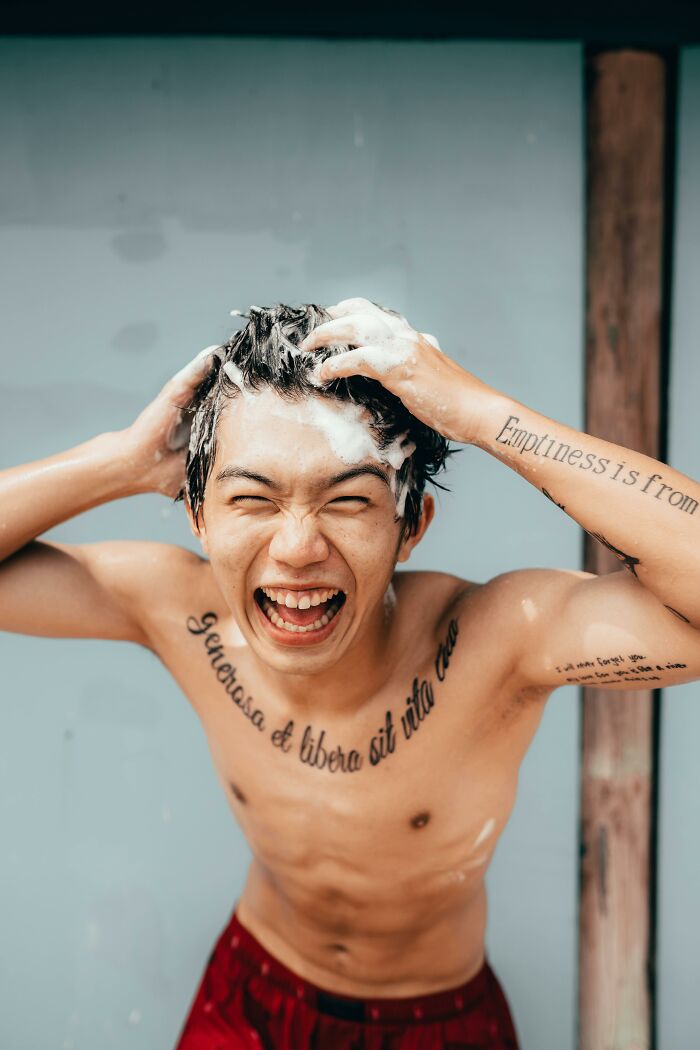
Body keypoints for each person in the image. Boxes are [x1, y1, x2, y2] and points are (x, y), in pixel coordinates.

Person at [2, 298, 699, 1050]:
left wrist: (475, 411)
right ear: (198, 516)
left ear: (411, 527)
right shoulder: (179, 609)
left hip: (436, 1023)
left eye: (348, 501)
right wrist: (120, 462)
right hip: (250, 996)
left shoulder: (492, 642)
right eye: (252, 499)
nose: (298, 548)